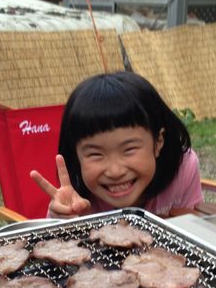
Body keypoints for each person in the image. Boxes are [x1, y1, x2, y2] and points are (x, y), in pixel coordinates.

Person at [30, 71, 203, 218]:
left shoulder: (183, 167)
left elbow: (195, 225)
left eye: (129, 149)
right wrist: (62, 219)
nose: (115, 171)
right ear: (77, 155)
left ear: (158, 142)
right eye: (95, 154)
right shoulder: (76, 198)